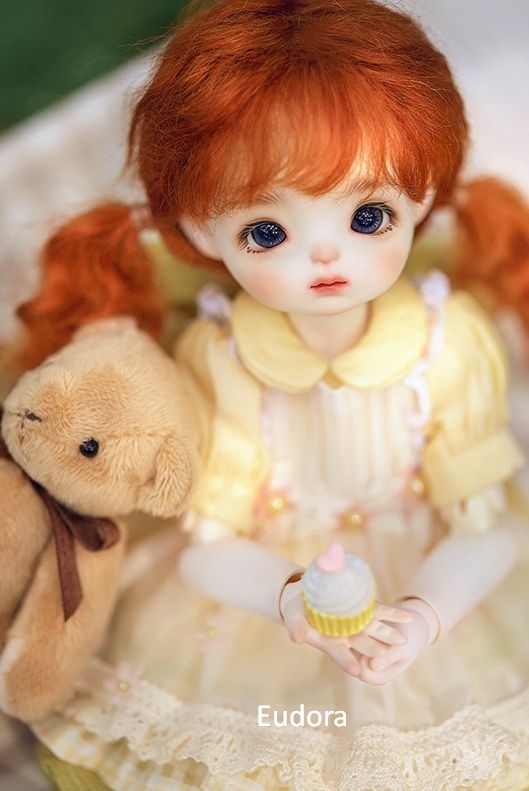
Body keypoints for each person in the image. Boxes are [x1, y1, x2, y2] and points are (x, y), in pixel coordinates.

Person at [15, 0, 529, 788]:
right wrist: (291, 601)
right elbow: (209, 548)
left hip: (439, 588)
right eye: (266, 231)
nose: (325, 255)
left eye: (367, 215)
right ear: (199, 231)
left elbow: (489, 527)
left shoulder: (446, 340)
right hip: (263, 600)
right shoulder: (223, 354)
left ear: (422, 198)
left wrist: (423, 616)